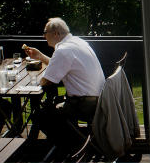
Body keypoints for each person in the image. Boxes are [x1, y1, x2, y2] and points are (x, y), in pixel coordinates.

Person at [24, 17, 105, 147]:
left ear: (56, 33)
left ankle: (69, 145)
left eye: (45, 32)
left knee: (40, 115)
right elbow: (61, 66)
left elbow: (46, 81)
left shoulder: (63, 50)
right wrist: (40, 56)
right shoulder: (77, 42)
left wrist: (32, 81)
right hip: (99, 99)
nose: (44, 36)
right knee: (50, 108)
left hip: (84, 104)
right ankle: (71, 141)